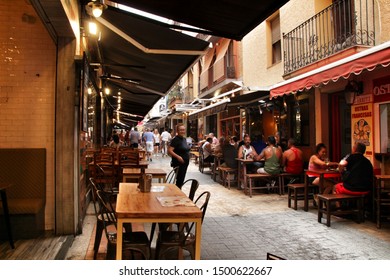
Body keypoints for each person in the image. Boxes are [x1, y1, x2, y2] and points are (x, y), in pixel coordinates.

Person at [168, 123, 191, 188]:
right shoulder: (176, 139)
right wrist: (178, 157)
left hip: (185, 163)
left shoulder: (184, 139)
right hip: (178, 163)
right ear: (177, 131)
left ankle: (178, 192)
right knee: (179, 180)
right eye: (181, 130)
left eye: (183, 130)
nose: (182, 131)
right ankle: (177, 194)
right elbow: (170, 150)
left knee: (181, 180)